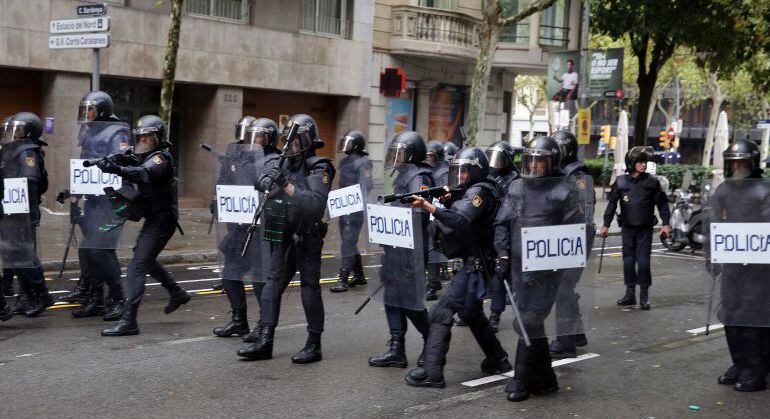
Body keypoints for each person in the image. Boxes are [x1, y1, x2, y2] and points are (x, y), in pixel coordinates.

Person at [405, 147, 511, 388]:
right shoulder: (475, 190)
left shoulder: (480, 192)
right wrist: (449, 199)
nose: (460, 177)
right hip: (479, 264)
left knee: (441, 312)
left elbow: (461, 220)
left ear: (476, 171)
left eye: (465, 172)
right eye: (458, 172)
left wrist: (432, 208)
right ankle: (499, 359)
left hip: (477, 266)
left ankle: (432, 373)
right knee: (471, 313)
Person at [238, 114, 334, 363]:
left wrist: (284, 183)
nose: (290, 144)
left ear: (308, 140)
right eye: (287, 139)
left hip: (307, 235)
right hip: (281, 231)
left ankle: (314, 343)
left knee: (309, 288)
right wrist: (264, 177)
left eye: (296, 139)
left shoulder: (320, 166)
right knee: (272, 285)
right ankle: (265, 340)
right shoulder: (284, 162)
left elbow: (313, 204)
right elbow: (260, 181)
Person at [494, 136, 583, 402]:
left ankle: (520, 380)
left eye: (539, 161)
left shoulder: (565, 191)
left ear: (552, 162)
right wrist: (502, 253)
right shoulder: (516, 188)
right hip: (519, 268)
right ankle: (545, 379)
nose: (533, 166)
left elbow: (575, 234)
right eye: (529, 160)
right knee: (528, 323)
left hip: (548, 272)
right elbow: (502, 223)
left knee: (529, 321)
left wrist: (562, 269)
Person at [99, 115, 191, 336]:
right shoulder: (143, 156)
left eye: (148, 137)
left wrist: (117, 169)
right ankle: (177, 292)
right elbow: (133, 162)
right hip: (153, 218)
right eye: (140, 137)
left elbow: (144, 173)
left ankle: (129, 320)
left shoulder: (161, 158)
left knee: (137, 266)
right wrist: (113, 160)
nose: (143, 141)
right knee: (144, 260)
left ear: (158, 137)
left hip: (163, 220)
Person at [708, 140, 770, 392]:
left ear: (752, 162)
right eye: (733, 162)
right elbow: (713, 223)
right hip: (732, 265)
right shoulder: (723, 190)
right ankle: (739, 362)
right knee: (731, 313)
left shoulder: (765, 190)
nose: (737, 166)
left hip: (759, 268)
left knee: (753, 316)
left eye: (742, 162)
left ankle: (756, 368)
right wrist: (711, 256)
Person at [367, 131, 433, 369]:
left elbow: (419, 210)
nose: (396, 158)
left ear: (412, 154)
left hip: (411, 250)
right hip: (393, 246)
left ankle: (432, 341)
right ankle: (397, 349)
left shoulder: (420, 175)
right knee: (392, 296)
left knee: (409, 300)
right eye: (393, 153)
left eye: (400, 153)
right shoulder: (394, 174)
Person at [212, 117, 279, 338]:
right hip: (238, 227)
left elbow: (271, 187)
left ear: (269, 139)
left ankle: (264, 323)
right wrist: (218, 200)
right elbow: (224, 181)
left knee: (260, 279)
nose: (253, 140)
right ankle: (239, 320)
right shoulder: (238, 157)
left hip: (261, 229)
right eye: (251, 135)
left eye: (258, 136)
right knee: (229, 275)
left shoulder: (274, 159)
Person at [68, 91, 132, 321]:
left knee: (102, 251)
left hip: (113, 203)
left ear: (103, 110)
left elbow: (122, 159)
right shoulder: (88, 133)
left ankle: (118, 300)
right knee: (88, 252)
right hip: (94, 202)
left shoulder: (117, 132)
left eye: (91, 110)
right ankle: (96, 299)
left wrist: (111, 160)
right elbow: (82, 169)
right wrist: (74, 199)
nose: (86, 115)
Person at [600, 146, 672, 311]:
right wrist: (605, 225)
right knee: (628, 261)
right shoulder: (620, 182)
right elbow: (611, 205)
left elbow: (662, 204)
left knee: (644, 262)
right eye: (640, 162)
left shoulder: (652, 182)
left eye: (645, 162)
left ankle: (644, 297)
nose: (644, 165)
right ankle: (630, 294)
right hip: (627, 228)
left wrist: (666, 224)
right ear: (631, 163)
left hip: (645, 229)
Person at [0, 112, 53, 317]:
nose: (13, 133)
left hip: (21, 213)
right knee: (14, 256)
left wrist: (30, 214)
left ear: (27, 132)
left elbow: (30, 183)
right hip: (11, 212)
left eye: (18, 130)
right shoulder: (12, 150)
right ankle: (29, 296)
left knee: (24, 256)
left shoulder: (27, 151)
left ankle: (42, 295)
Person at [549, 130, 594, 359]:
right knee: (564, 287)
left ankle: (566, 343)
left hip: (575, 236)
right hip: (563, 236)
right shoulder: (559, 172)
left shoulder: (578, 175)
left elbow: (583, 212)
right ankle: (576, 334)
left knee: (563, 288)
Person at [330, 130, 372, 293]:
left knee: (347, 242)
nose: (345, 146)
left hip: (355, 210)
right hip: (343, 208)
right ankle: (360, 275)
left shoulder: (364, 162)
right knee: (349, 243)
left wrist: (356, 202)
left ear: (356, 145)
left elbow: (366, 185)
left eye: (349, 143)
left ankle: (343, 278)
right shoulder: (345, 161)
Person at [484, 140, 519, 332]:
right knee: (492, 272)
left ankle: (500, 314)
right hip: (490, 229)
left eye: (498, 159)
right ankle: (477, 312)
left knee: (504, 272)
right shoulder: (488, 176)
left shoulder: (515, 181)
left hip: (509, 230)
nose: (494, 163)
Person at [424, 140, 450, 301]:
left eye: (432, 156)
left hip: (438, 214)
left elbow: (443, 196)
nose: (429, 159)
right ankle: (434, 280)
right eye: (427, 156)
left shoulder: (444, 172)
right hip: (426, 213)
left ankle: (432, 285)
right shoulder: (428, 171)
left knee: (433, 249)